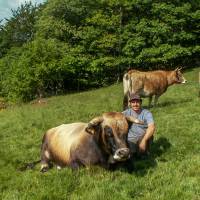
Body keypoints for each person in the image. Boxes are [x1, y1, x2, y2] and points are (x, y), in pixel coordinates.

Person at [122, 94, 156, 158]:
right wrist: (130, 118)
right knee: (129, 155)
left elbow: (152, 127)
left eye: (137, 102)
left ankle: (144, 151)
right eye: (133, 102)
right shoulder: (126, 113)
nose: (135, 104)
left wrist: (144, 140)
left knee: (141, 155)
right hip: (130, 139)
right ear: (130, 104)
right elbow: (116, 116)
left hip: (143, 137)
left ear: (141, 102)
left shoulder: (146, 113)